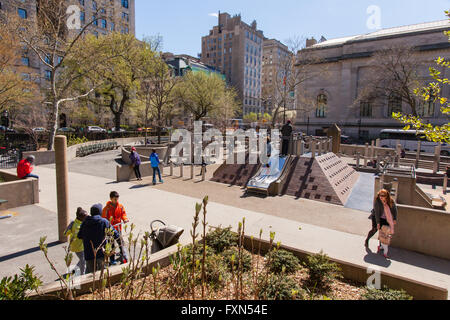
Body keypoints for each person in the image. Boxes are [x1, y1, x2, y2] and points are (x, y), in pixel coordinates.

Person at [77, 204, 119, 273]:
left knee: (90, 275)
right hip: (101, 253)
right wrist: (120, 245)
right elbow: (115, 234)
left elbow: (79, 236)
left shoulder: (85, 222)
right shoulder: (104, 222)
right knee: (103, 273)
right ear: (100, 212)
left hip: (89, 253)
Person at [365, 189, 398, 258]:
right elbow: (377, 213)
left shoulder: (390, 201)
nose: (381, 197)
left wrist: (394, 218)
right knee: (374, 230)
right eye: (380, 195)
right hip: (376, 217)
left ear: (386, 196)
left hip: (385, 218)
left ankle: (380, 246)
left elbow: (395, 209)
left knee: (384, 231)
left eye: (383, 195)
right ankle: (367, 240)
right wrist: (378, 223)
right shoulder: (377, 201)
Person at [102, 191, 129, 265]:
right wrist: (107, 225)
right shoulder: (106, 209)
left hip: (118, 227)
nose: (116, 200)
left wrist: (125, 219)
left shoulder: (120, 206)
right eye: (115, 199)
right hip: (110, 229)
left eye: (117, 199)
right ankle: (112, 258)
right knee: (111, 244)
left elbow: (123, 213)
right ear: (111, 198)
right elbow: (104, 218)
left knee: (120, 241)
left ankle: (123, 253)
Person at [64, 208, 88, 275]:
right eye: (86, 217)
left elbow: (65, 233)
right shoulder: (79, 226)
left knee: (82, 259)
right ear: (81, 218)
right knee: (83, 261)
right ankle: (82, 274)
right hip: (79, 247)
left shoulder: (74, 223)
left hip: (76, 246)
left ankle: (74, 270)